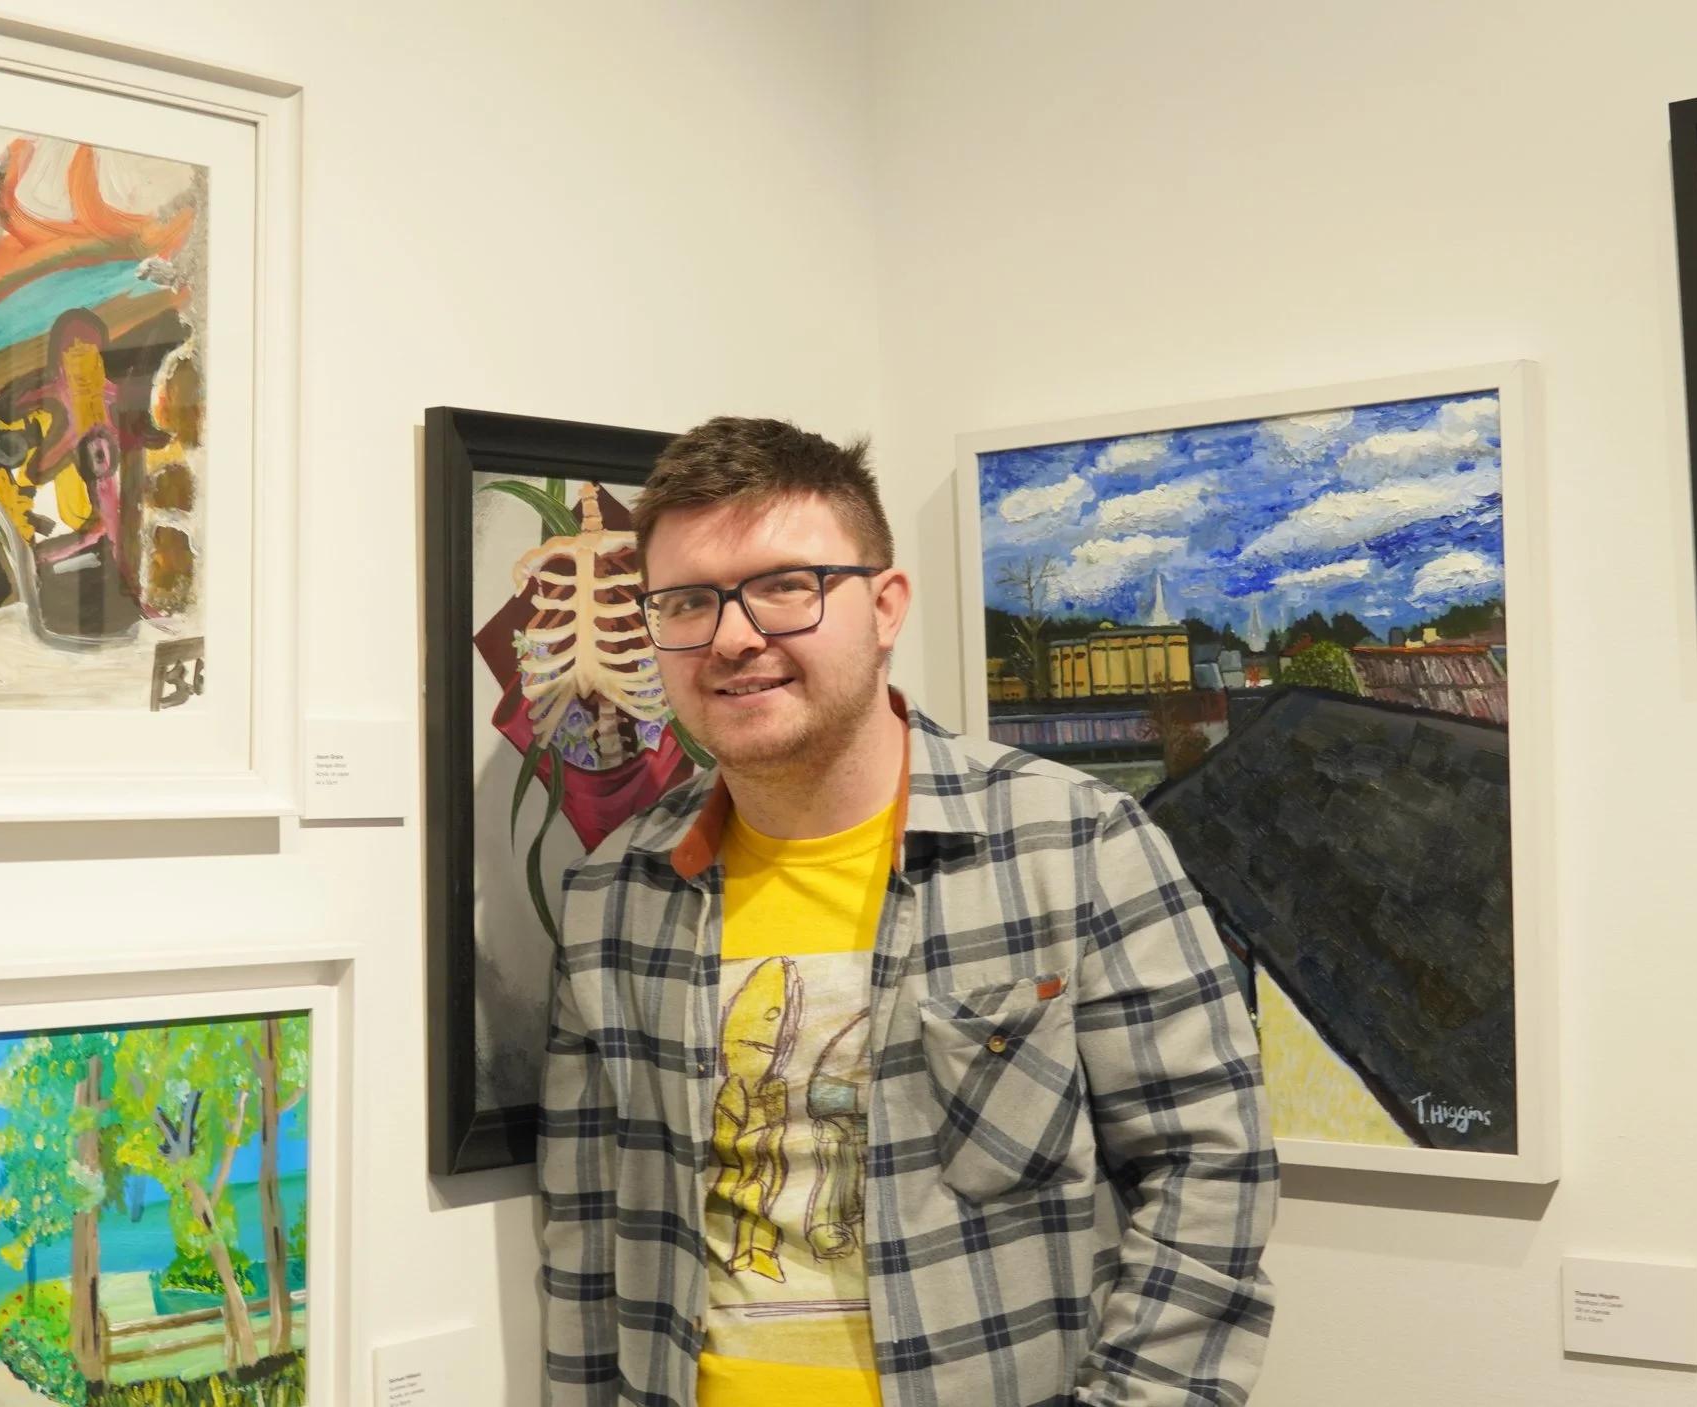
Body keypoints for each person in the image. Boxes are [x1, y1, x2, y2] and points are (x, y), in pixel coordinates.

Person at [537, 418, 1277, 1407]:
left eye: (785, 587)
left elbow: (1207, 1173)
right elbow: (587, 1233)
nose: (733, 636)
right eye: (685, 602)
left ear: (885, 606)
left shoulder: (1073, 846)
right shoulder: (611, 899)